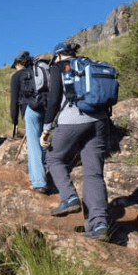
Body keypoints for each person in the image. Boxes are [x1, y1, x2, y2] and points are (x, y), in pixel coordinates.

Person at [40, 42, 110, 240]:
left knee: (54, 159)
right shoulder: (90, 64)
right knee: (94, 173)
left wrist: (46, 129)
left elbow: (54, 100)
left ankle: (69, 197)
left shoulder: (58, 67)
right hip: (99, 121)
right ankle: (99, 226)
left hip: (72, 120)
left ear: (58, 56)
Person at [10, 51, 48, 193]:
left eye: (15, 66)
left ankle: (39, 182)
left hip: (31, 110)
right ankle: (36, 176)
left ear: (19, 63)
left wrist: (14, 120)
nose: (15, 69)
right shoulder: (39, 71)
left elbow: (14, 100)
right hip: (47, 107)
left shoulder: (17, 76)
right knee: (43, 142)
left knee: (33, 145)